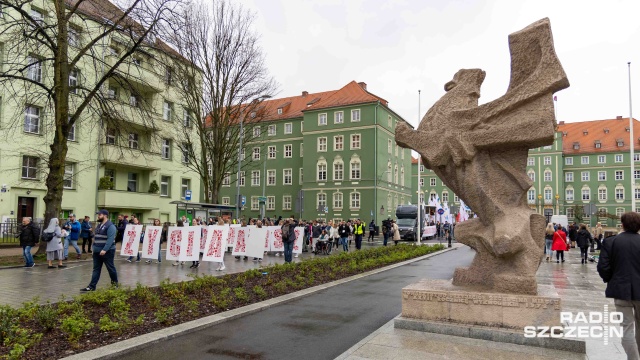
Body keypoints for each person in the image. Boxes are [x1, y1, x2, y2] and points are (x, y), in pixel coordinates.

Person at [598, 212, 640, 359]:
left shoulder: (611, 242)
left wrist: (612, 279)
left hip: (621, 290)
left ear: (622, 224)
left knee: (627, 328)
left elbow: (603, 267)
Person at [81, 209, 118, 291]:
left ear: (105, 215)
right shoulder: (99, 225)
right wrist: (93, 246)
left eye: (99, 215)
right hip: (97, 251)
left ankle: (115, 284)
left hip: (107, 251)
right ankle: (91, 286)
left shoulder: (110, 226)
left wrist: (105, 249)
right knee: (96, 269)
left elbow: (110, 239)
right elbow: (97, 237)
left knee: (110, 268)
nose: (98, 216)